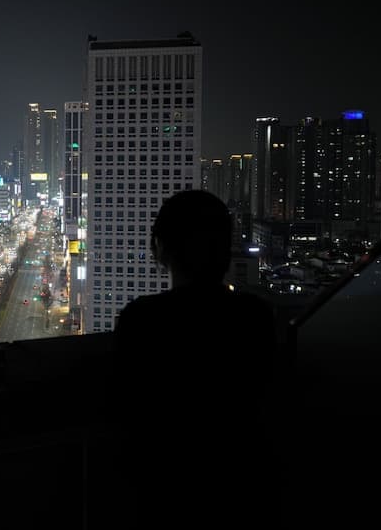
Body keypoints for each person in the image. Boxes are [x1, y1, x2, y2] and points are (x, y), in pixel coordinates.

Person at [113, 190, 278, 527]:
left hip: (164, 489)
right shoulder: (255, 315)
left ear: (160, 248)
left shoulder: (144, 319)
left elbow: (122, 406)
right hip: (247, 487)